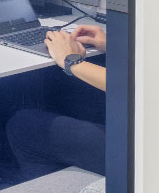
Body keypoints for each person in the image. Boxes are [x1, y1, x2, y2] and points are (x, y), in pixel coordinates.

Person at [7, 25, 107, 180]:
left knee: (22, 125)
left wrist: (72, 61)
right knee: (82, 93)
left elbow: (132, 85)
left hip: (141, 151)